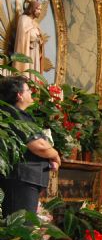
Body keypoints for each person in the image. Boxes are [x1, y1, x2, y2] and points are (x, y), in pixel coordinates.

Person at [0, 76, 61, 218]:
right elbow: (38, 145)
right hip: (22, 180)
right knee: (22, 229)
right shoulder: (13, 115)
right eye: (28, 90)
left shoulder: (20, 115)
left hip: (27, 180)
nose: (31, 93)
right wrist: (55, 154)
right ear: (19, 95)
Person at [14, 0, 44, 76]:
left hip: (35, 52)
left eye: (41, 10)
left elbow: (39, 37)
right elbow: (23, 36)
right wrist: (34, 37)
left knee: (34, 72)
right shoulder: (23, 19)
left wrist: (40, 40)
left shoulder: (35, 23)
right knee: (28, 72)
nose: (40, 11)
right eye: (38, 9)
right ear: (32, 9)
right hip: (27, 51)